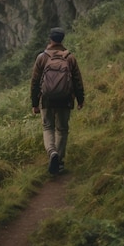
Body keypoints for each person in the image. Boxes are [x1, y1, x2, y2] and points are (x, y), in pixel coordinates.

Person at [30, 27, 85, 174]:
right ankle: (59, 161)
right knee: (62, 129)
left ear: (50, 39)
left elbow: (35, 82)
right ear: (62, 39)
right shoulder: (70, 57)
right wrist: (80, 99)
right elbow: (77, 80)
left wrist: (35, 103)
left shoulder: (42, 57)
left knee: (48, 128)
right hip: (65, 98)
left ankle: (52, 152)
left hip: (46, 99)